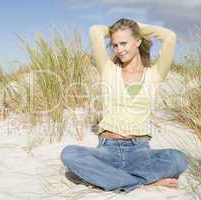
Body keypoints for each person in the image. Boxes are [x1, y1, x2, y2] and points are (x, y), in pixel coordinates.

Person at [60, 18, 188, 193]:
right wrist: (117, 30)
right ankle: (141, 183)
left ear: (138, 41)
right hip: (107, 150)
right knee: (69, 154)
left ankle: (112, 178)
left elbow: (170, 37)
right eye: (115, 45)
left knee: (178, 159)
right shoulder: (108, 70)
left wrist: (136, 27)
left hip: (140, 151)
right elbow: (95, 31)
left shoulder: (154, 75)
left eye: (124, 43)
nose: (119, 50)